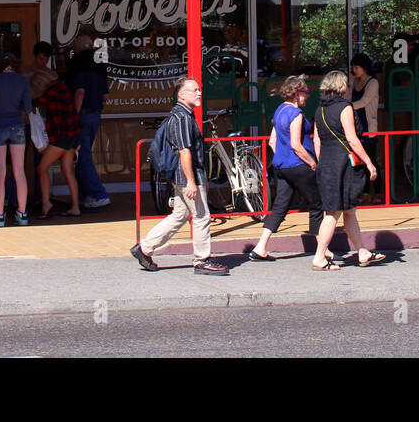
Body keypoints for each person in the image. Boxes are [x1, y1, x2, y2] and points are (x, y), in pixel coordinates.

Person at [131, 77, 228, 275]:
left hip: (182, 175)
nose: (199, 93)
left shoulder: (182, 115)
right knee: (202, 216)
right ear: (181, 95)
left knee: (179, 215)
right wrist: (192, 182)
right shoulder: (182, 118)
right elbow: (184, 151)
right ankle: (202, 260)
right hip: (187, 176)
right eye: (194, 90)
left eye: (199, 89)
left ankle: (144, 248)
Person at [311, 70, 383, 271]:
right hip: (343, 165)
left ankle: (362, 251)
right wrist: (369, 162)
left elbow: (316, 140)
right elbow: (352, 139)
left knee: (349, 210)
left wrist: (322, 161)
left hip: (327, 163)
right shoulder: (345, 107)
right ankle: (319, 257)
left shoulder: (320, 110)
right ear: (342, 87)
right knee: (333, 213)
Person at [247, 75, 325, 261]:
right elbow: (297, 145)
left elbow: (272, 141)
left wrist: (282, 157)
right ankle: (323, 250)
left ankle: (260, 247)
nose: (307, 96)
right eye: (305, 92)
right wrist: (312, 162)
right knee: (317, 204)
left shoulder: (279, 111)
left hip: (282, 166)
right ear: (296, 94)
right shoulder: (296, 115)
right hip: (299, 165)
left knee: (280, 207)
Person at [33, 44, 81, 220]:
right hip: (72, 135)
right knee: (68, 171)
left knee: (42, 168)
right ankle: (75, 206)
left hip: (60, 137)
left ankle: (46, 204)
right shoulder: (63, 88)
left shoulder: (51, 91)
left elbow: (37, 102)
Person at [0, 51, 31, 226]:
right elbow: (27, 108)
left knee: (0, 173)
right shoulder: (23, 81)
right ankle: (22, 214)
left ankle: (0, 216)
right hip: (18, 126)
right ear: (15, 64)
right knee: (19, 172)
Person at [68, 44, 111, 210]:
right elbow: (105, 97)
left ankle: (99, 194)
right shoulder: (99, 75)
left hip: (83, 115)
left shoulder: (80, 75)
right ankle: (86, 195)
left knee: (83, 156)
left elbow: (79, 94)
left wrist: (74, 115)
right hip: (95, 115)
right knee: (82, 155)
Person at [350, 53, 380, 202]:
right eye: (352, 67)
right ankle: (364, 192)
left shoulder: (373, 82)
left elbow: (364, 101)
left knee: (371, 159)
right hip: (355, 126)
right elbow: (348, 97)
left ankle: (378, 192)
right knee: (358, 161)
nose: (353, 70)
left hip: (368, 126)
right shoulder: (354, 82)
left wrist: (346, 107)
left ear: (364, 68)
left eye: (356, 67)